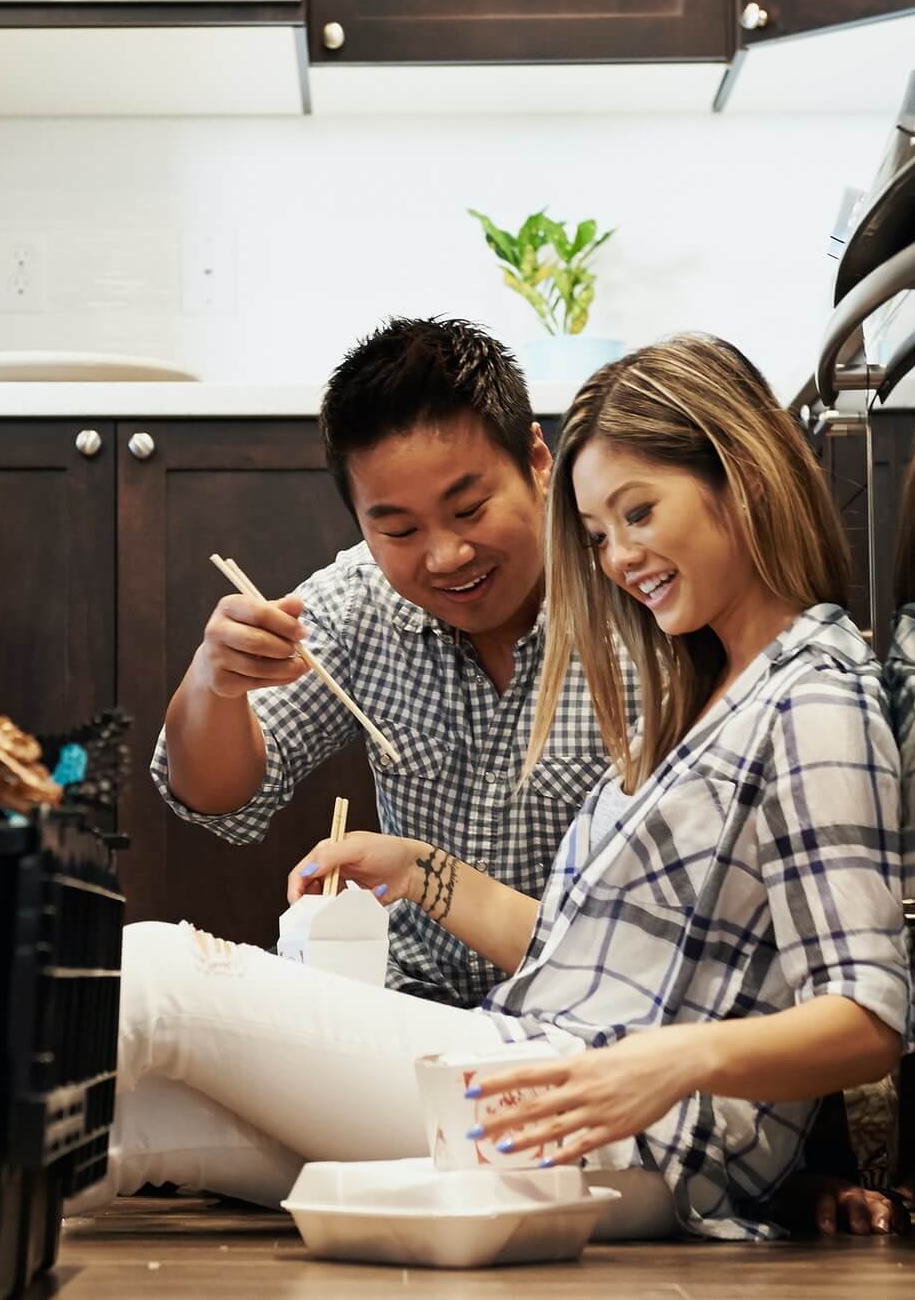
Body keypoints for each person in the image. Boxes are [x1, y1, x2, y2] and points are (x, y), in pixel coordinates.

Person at [107, 333, 911, 1239]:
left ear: (745, 477)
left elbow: (867, 1010)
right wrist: (419, 869)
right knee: (129, 1124)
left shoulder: (810, 689)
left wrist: (671, 1069)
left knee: (154, 975)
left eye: (640, 514)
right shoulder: (698, 684)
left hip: (605, 1118)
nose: (617, 560)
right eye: (601, 533)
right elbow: (589, 958)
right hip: (553, 1082)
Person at [152, 317, 616, 1008]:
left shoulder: (632, 594)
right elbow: (220, 796)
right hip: (406, 1006)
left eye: (470, 508)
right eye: (398, 530)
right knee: (155, 971)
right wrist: (213, 683)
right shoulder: (357, 602)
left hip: (590, 1017)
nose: (446, 556)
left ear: (537, 461)